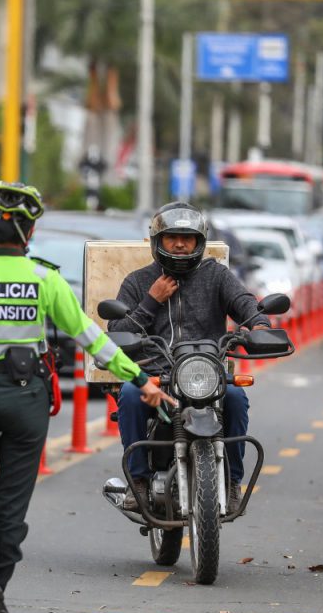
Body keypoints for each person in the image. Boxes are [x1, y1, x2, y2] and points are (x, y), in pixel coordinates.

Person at [0, 181, 164, 613]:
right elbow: (92, 340)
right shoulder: (45, 278)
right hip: (27, 400)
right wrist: (140, 379)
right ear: (29, 233)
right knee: (10, 509)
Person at [108, 202, 271, 516]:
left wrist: (260, 326)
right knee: (129, 394)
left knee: (236, 397)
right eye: (172, 237)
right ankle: (138, 481)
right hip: (156, 375)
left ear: (200, 242)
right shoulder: (138, 281)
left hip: (206, 374)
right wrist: (150, 302)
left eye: (188, 238)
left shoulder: (216, 276)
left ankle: (231, 482)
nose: (180, 244)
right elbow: (117, 331)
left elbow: (244, 302)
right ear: (159, 241)